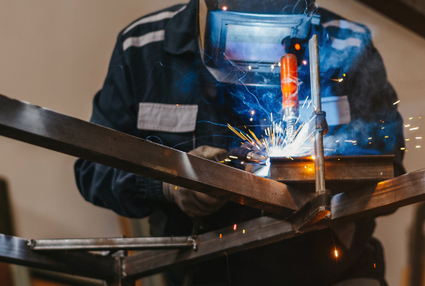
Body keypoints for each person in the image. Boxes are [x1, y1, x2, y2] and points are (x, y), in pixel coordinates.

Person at [74, 0, 405, 285]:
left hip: (331, 274)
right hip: (203, 272)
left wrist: (327, 168)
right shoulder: (142, 50)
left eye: (282, 38)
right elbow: (93, 169)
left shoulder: (348, 46)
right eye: (243, 38)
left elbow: (389, 170)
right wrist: (167, 185)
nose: (262, 58)